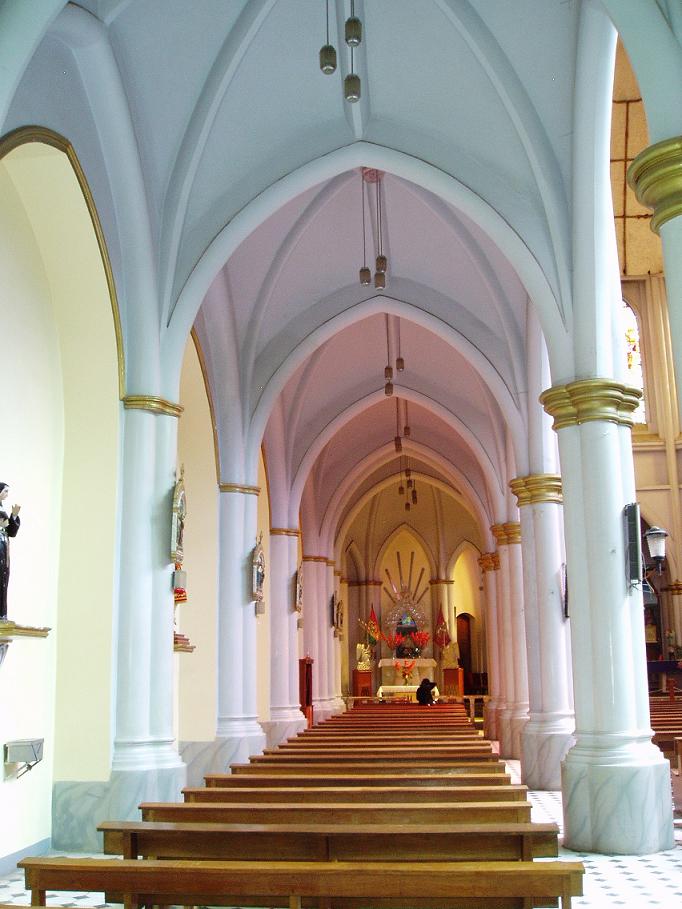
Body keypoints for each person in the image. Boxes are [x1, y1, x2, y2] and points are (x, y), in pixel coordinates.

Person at [0, 483, 21, 621]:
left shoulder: (2, 511)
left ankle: (2, 615)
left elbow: (11, 532)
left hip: (3, 558)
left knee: (2, 585)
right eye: (5, 491)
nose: (7, 494)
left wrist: (14, 516)